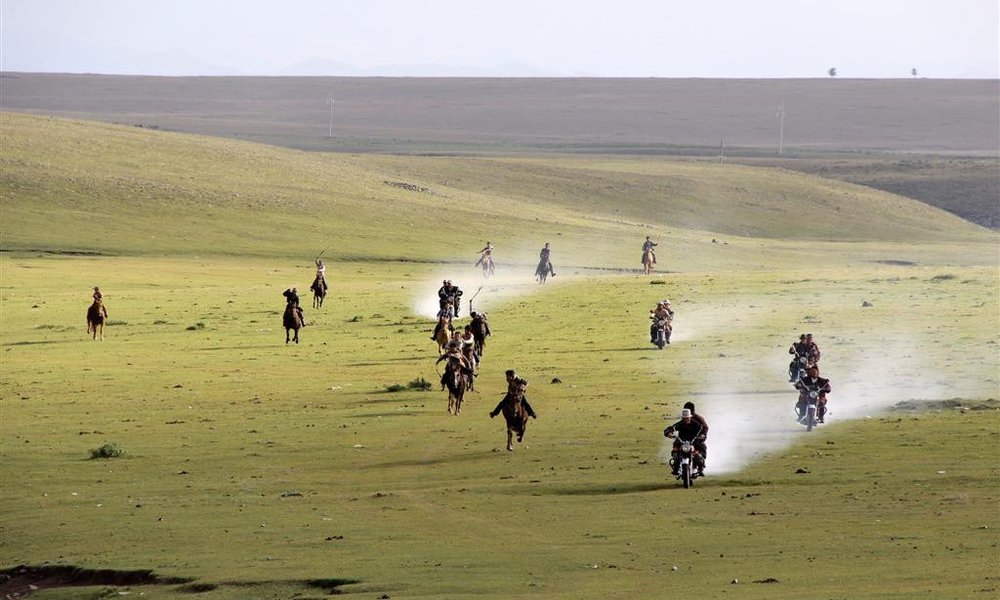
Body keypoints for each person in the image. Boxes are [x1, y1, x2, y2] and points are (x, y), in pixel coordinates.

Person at [663, 407, 707, 476]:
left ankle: (700, 469)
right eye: (684, 418)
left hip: (694, 441)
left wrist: (702, 435)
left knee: (699, 456)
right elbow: (672, 428)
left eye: (687, 418)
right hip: (681, 441)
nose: (686, 419)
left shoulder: (696, 424)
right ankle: (676, 468)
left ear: (690, 417)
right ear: (682, 418)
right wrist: (669, 432)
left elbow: (703, 429)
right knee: (675, 454)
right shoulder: (680, 424)